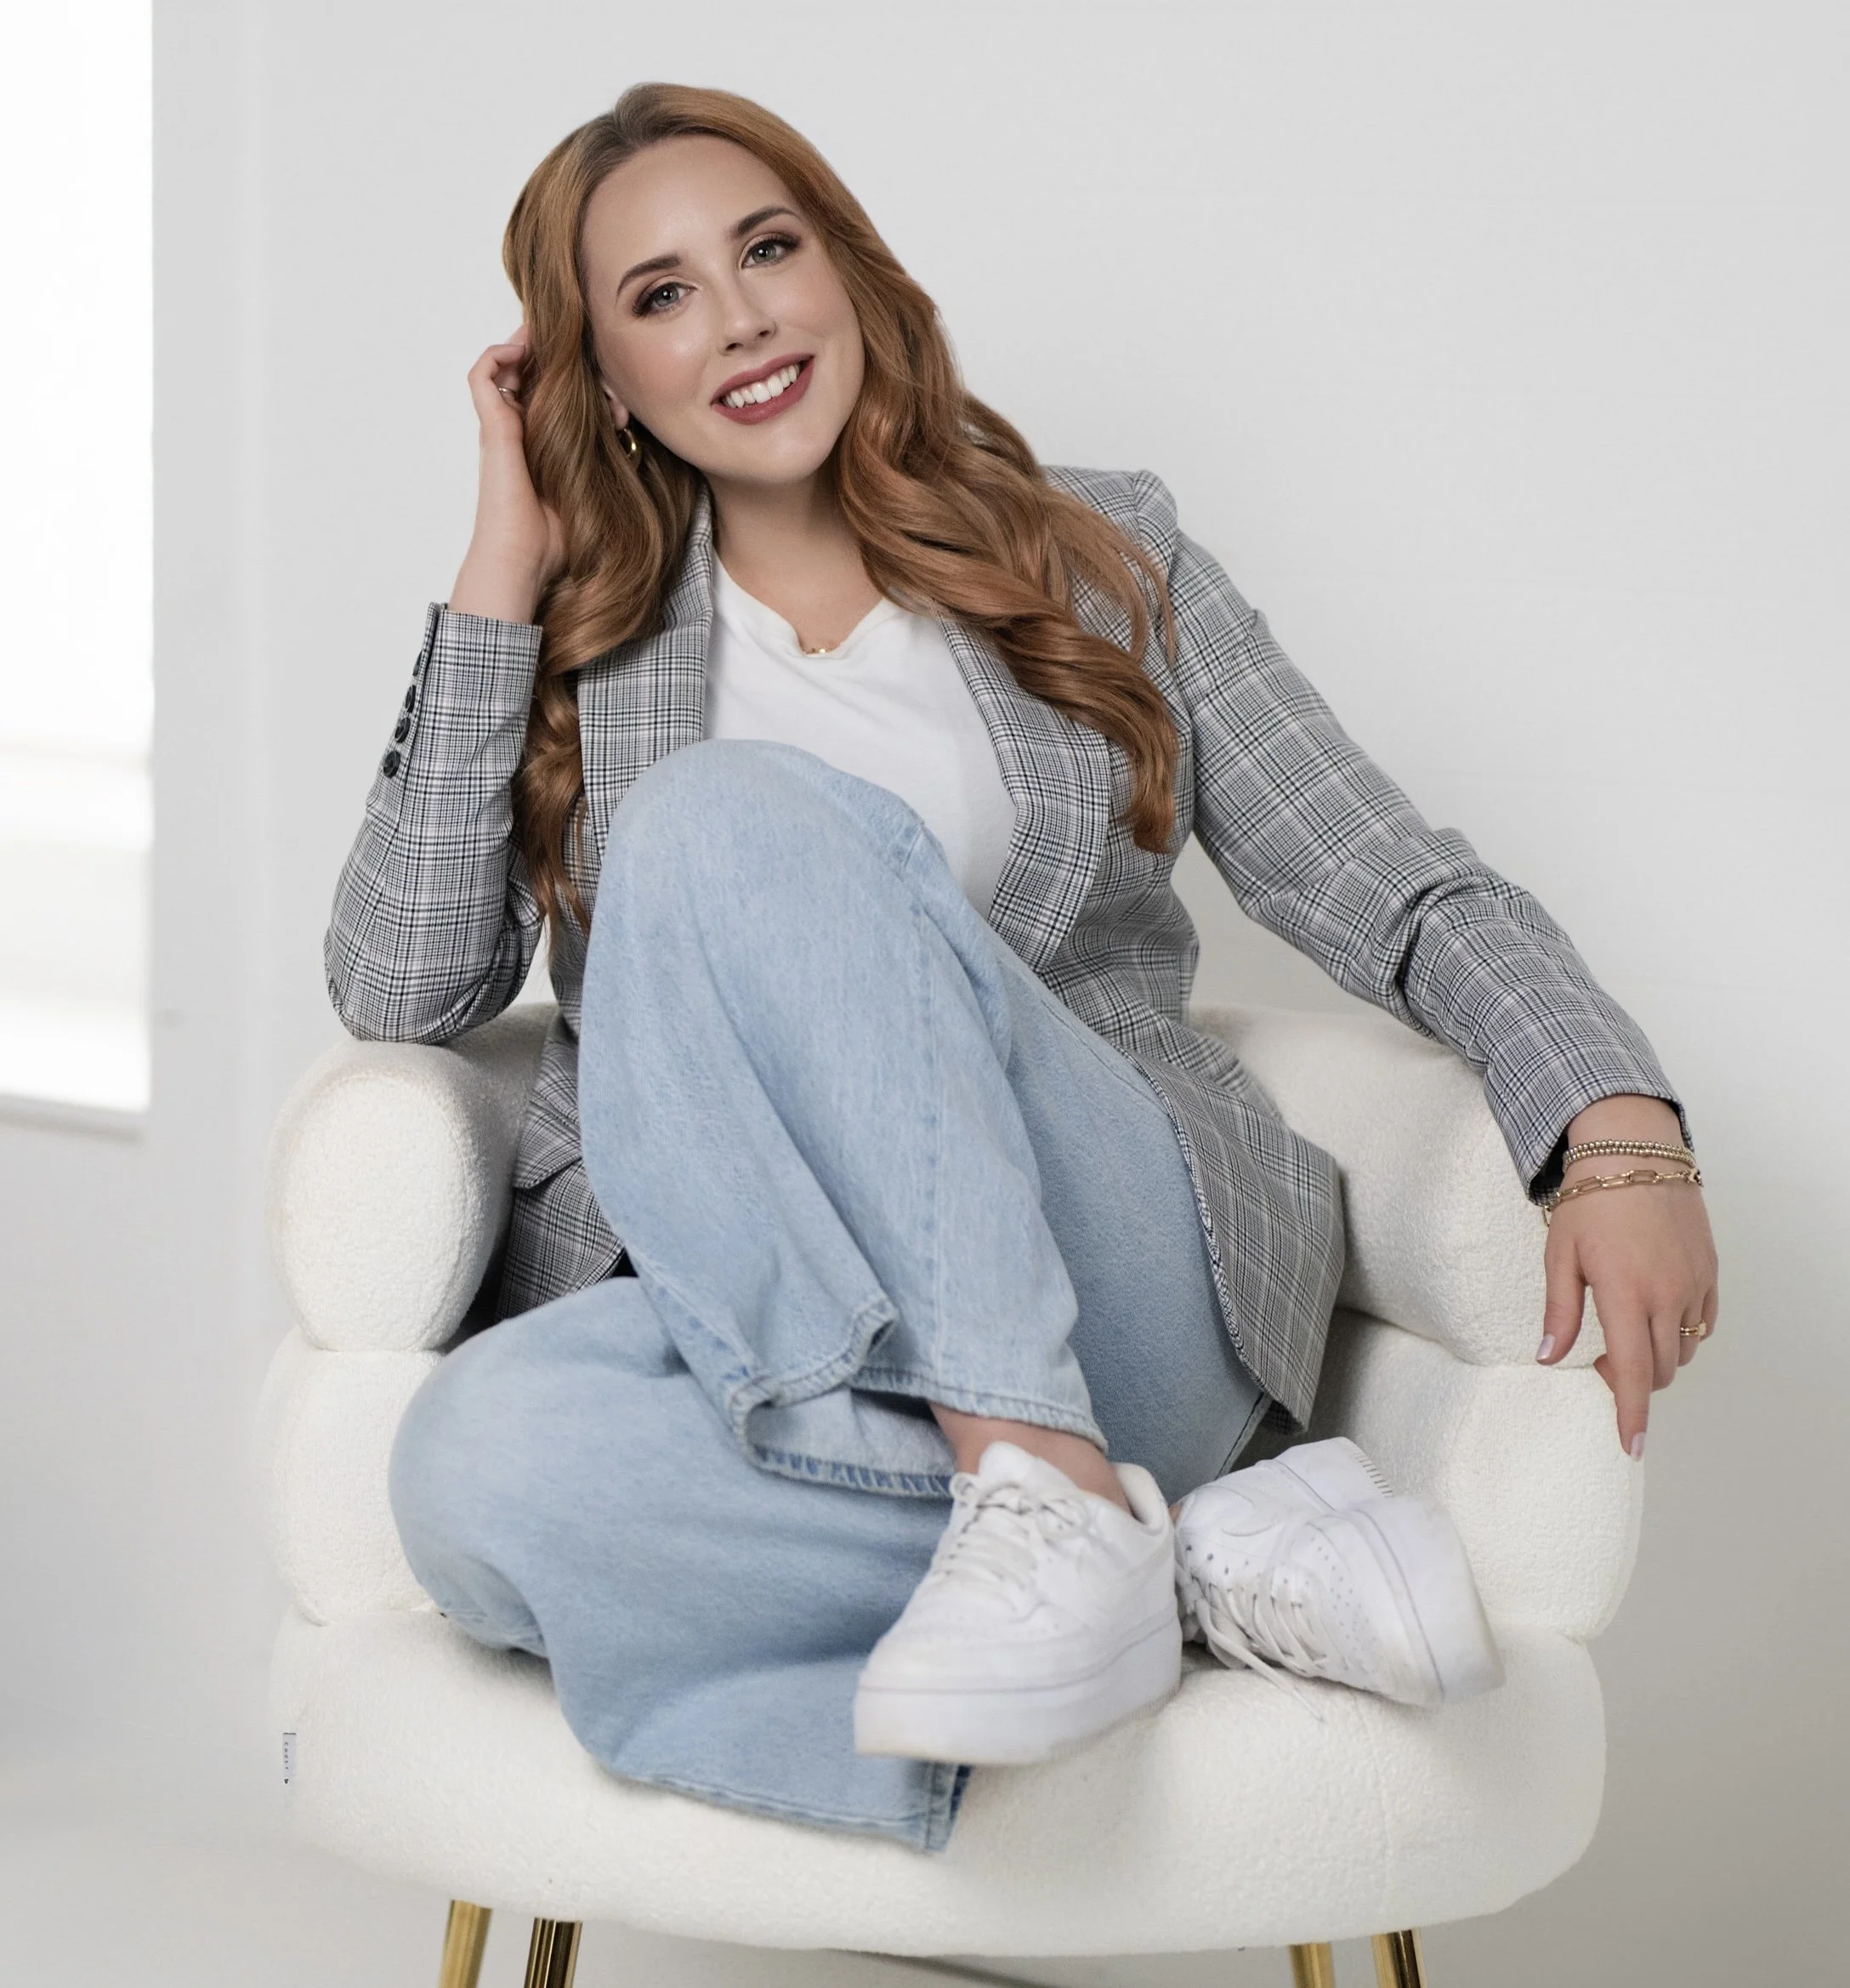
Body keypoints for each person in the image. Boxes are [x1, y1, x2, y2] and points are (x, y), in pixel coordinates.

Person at [326, 83, 1719, 1851]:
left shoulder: (1096, 551)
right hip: (771, 1348)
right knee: (470, 1469)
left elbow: (1391, 876)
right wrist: (499, 573)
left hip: (1104, 1262)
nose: (739, 318)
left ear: (846, 270)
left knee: (714, 821)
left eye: (768, 249)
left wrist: (1614, 1124)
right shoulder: (579, 639)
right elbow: (401, 988)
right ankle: (1164, 1551)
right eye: (662, 295)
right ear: (600, 377)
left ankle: (1048, 1469)